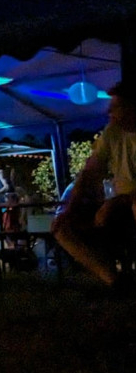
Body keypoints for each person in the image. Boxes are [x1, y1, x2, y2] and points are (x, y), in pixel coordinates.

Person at [54, 82, 136, 289]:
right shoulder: (112, 133)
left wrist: (118, 201)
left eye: (115, 107)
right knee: (62, 227)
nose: (109, 111)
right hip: (120, 206)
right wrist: (69, 210)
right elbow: (89, 172)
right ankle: (114, 280)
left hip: (127, 203)